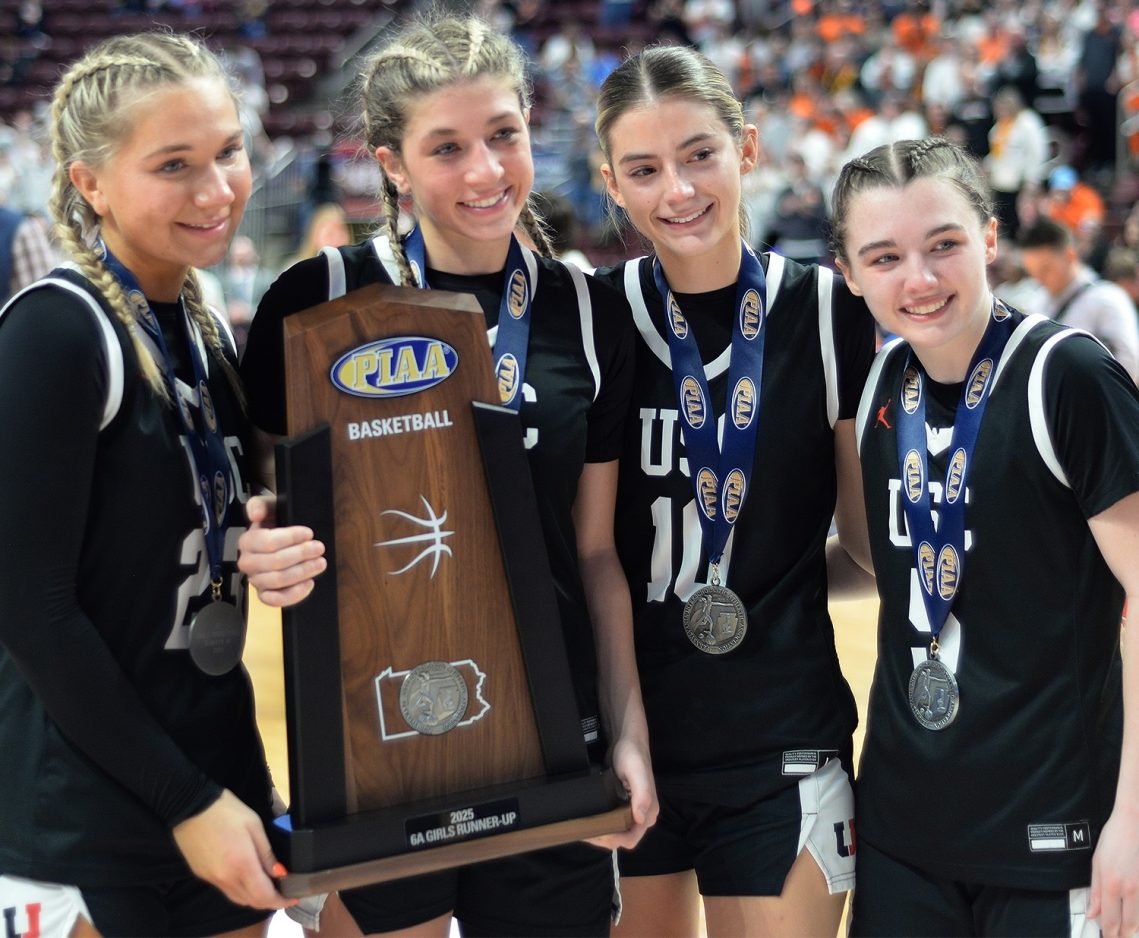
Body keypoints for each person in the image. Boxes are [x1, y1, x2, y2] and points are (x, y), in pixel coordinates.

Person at [236, 13, 657, 938]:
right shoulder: (318, 300)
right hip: (380, 750)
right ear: (391, 164)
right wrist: (255, 541)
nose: (484, 171)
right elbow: (254, 500)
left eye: (503, 135)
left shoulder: (588, 315)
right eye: (446, 148)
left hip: (554, 742)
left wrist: (627, 734)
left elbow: (594, 555)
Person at [0, 32, 294, 938]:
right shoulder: (56, 331)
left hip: (217, 789)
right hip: (90, 817)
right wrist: (185, 800)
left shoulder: (205, 333)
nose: (217, 189)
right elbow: (29, 608)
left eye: (228, 151)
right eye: (174, 165)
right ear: (90, 183)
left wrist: (266, 533)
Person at [591, 45, 876, 937]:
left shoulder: (829, 312)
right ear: (610, 183)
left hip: (780, 743)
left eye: (699, 154)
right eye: (644, 169)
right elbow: (584, 551)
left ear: (747, 148)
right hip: (626, 741)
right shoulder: (594, 318)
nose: (677, 190)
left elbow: (865, 550)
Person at [831, 136, 1139, 937]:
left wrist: (1132, 819)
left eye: (943, 245)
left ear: (989, 237)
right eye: (885, 257)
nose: (919, 279)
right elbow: (881, 561)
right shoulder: (878, 384)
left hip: (1051, 832)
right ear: (848, 272)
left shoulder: (1065, 376)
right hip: (902, 833)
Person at [1018, 215, 1139, 383]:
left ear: (1069, 255)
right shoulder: (1036, 303)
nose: (1039, 279)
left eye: (1045, 269)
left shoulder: (1108, 299)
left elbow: (1130, 366)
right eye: (1033, 272)